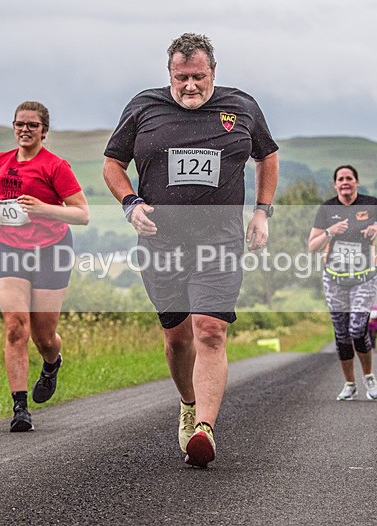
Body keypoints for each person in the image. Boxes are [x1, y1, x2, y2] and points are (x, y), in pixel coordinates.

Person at [102, 33, 279, 467]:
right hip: (161, 243)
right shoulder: (144, 107)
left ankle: (205, 428)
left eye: (198, 77)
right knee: (178, 337)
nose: (190, 86)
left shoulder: (241, 107)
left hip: (219, 242)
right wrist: (131, 203)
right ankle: (187, 404)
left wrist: (262, 212)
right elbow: (112, 164)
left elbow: (268, 157)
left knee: (210, 331)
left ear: (212, 73)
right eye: (181, 78)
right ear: (170, 75)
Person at [0, 101, 90, 432]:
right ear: (13, 127)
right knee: (15, 326)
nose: (25, 130)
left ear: (44, 130)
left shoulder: (55, 166)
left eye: (32, 125)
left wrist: (43, 208)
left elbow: (82, 214)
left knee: (43, 336)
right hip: (9, 247)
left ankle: (52, 363)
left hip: (51, 249)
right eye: (19, 124)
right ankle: (20, 408)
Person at [307, 165, 377, 401]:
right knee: (342, 333)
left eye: (349, 178)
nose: (345, 182)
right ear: (335, 184)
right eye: (341, 179)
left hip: (364, 277)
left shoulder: (371, 203)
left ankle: (368, 376)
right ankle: (350, 384)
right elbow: (312, 245)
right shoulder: (327, 209)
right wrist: (330, 231)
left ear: (356, 182)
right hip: (334, 279)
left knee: (357, 329)